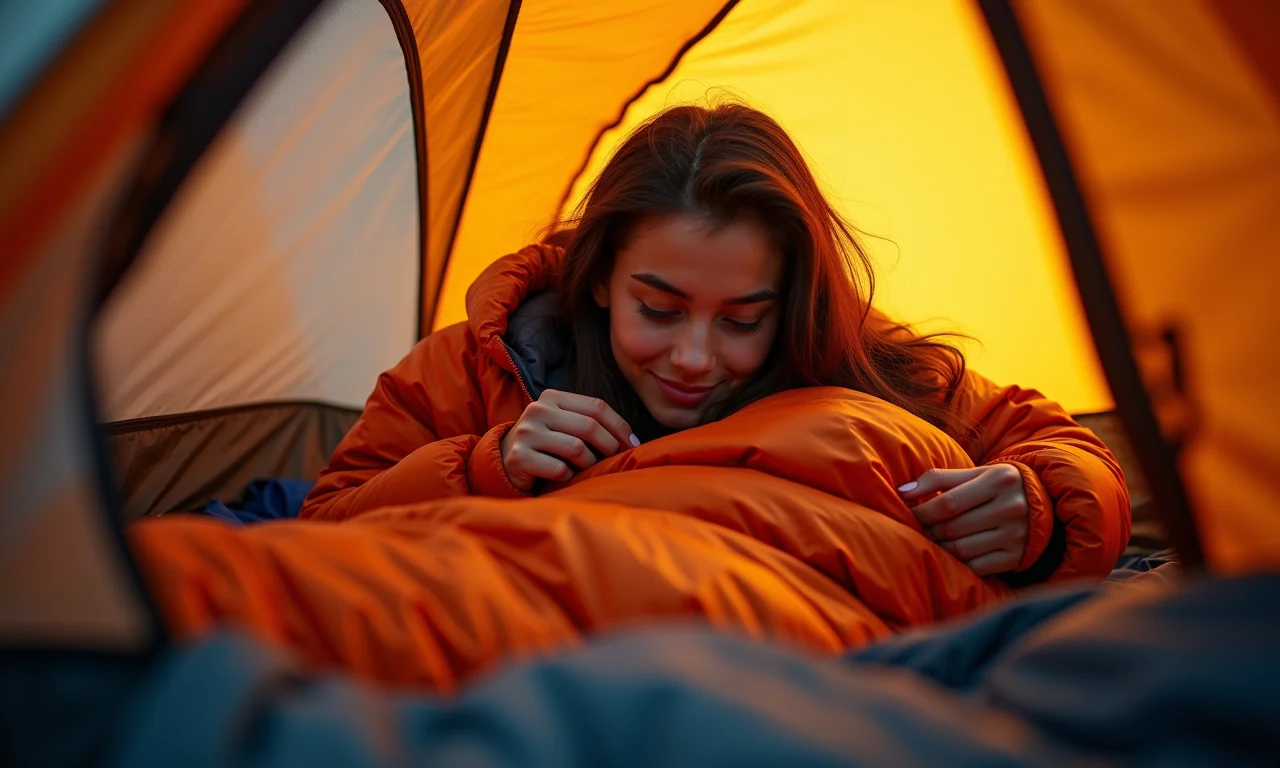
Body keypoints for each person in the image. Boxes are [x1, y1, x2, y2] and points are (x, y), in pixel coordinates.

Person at [300, 103, 1130, 584]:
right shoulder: (477, 365)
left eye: (741, 321)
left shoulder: (861, 361)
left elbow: (1067, 451)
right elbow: (321, 529)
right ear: (600, 276)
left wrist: (1042, 514)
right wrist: (488, 466)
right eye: (659, 309)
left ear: (788, 304)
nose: (695, 358)